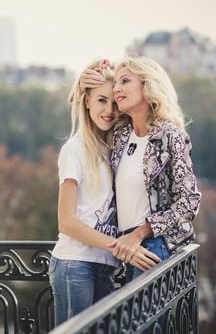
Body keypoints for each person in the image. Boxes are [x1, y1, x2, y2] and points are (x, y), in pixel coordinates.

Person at [49, 59, 161, 326]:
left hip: (106, 265)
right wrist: (124, 249)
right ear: (86, 102)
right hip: (75, 264)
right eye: (100, 100)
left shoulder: (115, 147)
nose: (109, 110)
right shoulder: (74, 151)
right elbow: (67, 223)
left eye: (113, 102)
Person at [80, 57, 201, 282]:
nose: (116, 88)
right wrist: (82, 83)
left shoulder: (170, 136)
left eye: (124, 81)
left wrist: (139, 234)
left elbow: (189, 201)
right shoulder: (120, 135)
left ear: (148, 85)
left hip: (154, 248)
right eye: (115, 82)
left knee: (145, 319)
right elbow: (90, 118)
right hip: (123, 251)